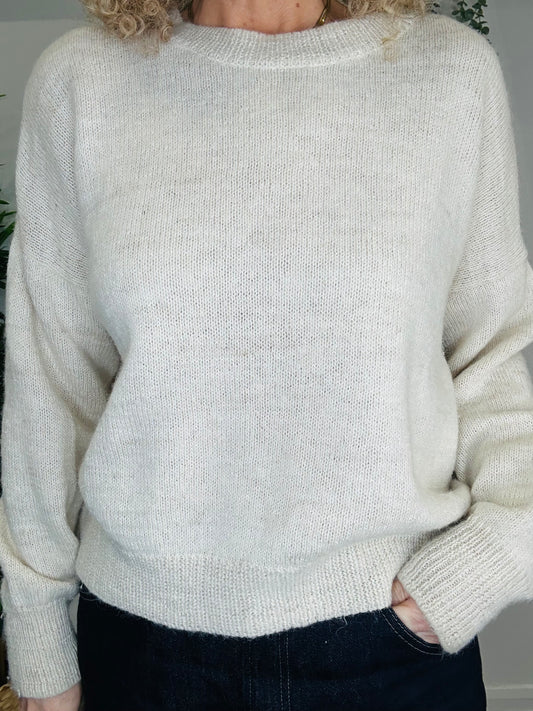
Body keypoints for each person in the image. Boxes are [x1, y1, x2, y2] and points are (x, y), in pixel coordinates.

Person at [1, 0, 532, 707]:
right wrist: (38, 635)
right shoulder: (80, 82)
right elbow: (52, 384)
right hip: (144, 647)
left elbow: (489, 358)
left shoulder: (449, 75)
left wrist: (494, 555)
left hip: (390, 645)